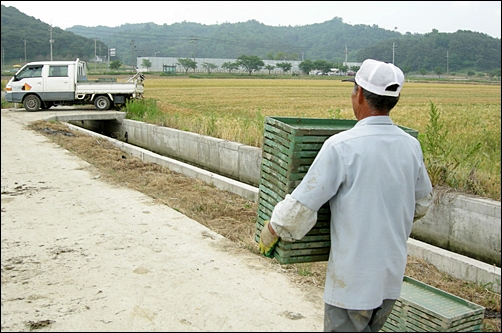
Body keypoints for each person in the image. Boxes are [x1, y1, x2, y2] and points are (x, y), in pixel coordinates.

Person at [258, 59, 433, 332]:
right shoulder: (411, 146)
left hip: (351, 287)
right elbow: (422, 204)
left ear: (360, 94)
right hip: (390, 281)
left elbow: (300, 208)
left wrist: (270, 230)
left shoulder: (341, 147)